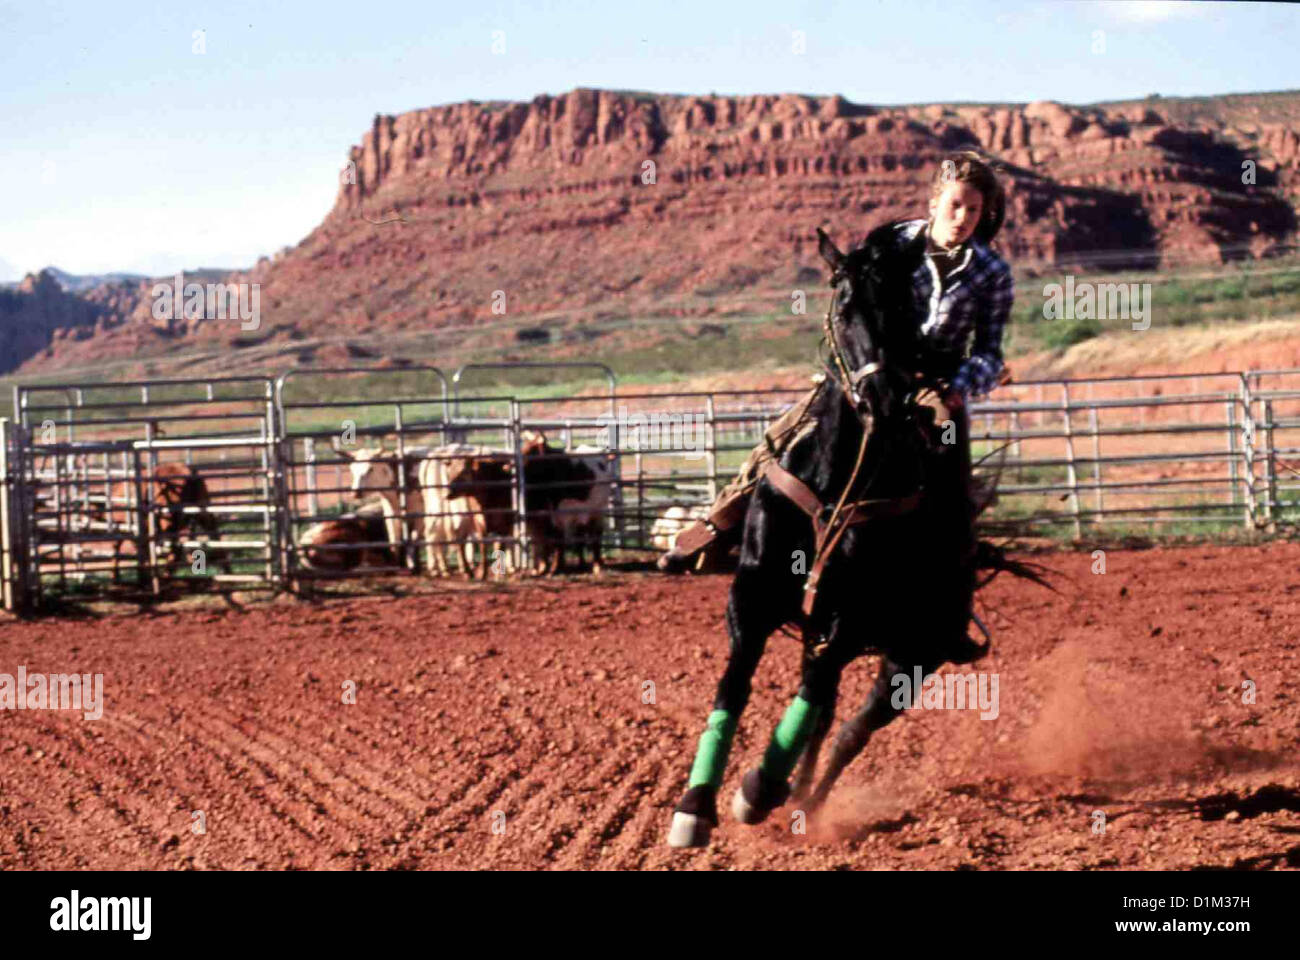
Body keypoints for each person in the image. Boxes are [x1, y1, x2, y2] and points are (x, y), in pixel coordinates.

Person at [657, 149, 1014, 573]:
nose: (963, 218)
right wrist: (852, 358)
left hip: (936, 382)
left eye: (974, 210)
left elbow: (990, 352)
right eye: (955, 205)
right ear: (934, 203)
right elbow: (854, 302)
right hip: (874, 368)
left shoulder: (992, 272)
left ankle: (955, 553)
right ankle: (713, 529)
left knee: (946, 443)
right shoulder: (892, 245)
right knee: (787, 433)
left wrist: (961, 384)